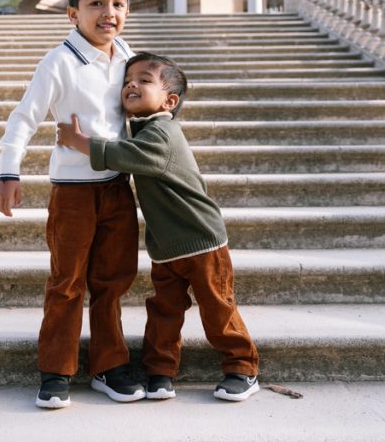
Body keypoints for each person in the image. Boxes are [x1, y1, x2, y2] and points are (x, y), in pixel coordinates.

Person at [56, 52, 260, 401]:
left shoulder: (163, 132)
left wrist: (81, 142)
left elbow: (129, 156)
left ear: (170, 100)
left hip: (201, 240)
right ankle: (161, 371)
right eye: (127, 80)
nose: (131, 84)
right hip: (166, 247)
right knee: (164, 311)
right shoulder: (143, 129)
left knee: (217, 307)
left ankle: (242, 367)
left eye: (144, 80)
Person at [0, 0, 146, 409]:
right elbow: (25, 116)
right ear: (72, 13)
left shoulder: (127, 56)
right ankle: (56, 370)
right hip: (74, 192)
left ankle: (109, 365)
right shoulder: (58, 61)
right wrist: (9, 171)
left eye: (118, 4)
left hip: (118, 185)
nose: (108, 13)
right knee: (67, 282)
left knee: (113, 281)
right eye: (96, 3)